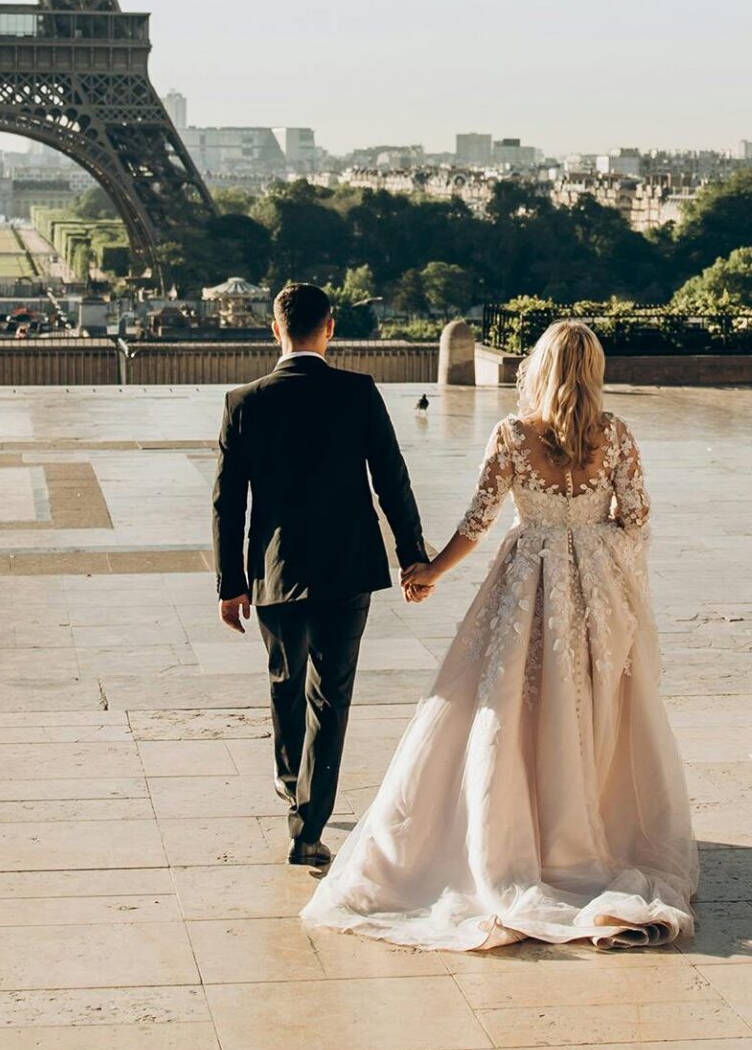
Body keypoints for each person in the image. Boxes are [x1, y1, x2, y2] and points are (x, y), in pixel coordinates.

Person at [303, 318, 697, 948]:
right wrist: (594, 553)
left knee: (509, 703)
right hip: (595, 586)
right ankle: (581, 828)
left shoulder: (513, 435)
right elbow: (638, 516)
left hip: (527, 579)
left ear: (538, 367)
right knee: (593, 705)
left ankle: (515, 833)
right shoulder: (615, 434)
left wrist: (427, 570)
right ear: (593, 371)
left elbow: (478, 520)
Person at [213, 281, 431, 870]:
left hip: (276, 569)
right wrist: (413, 554)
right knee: (331, 695)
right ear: (330, 327)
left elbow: (228, 503)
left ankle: (290, 780)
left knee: (285, 681)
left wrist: (229, 583)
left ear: (274, 330)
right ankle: (308, 823)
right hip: (348, 567)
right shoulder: (359, 393)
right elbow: (392, 479)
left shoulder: (244, 401)